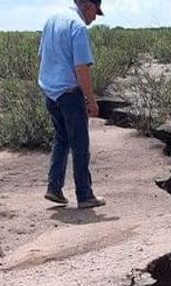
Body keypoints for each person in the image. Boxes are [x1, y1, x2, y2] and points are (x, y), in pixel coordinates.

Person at [37, 0, 106, 209]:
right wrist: (91, 100)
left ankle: (54, 188)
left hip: (50, 91)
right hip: (68, 92)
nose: (94, 18)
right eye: (95, 13)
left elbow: (42, 56)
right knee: (80, 144)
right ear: (88, 6)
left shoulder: (52, 20)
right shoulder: (77, 26)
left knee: (62, 139)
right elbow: (81, 68)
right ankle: (84, 195)